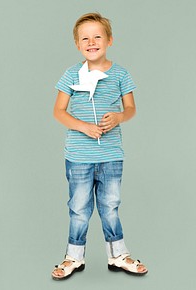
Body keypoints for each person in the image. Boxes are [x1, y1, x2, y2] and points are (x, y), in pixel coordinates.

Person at [51, 12, 148, 280]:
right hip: (79, 156)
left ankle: (118, 254)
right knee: (79, 207)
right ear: (77, 44)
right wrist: (83, 126)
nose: (91, 42)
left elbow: (130, 109)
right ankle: (74, 257)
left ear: (109, 40)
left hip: (111, 155)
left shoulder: (120, 74)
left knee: (110, 205)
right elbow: (59, 111)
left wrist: (119, 117)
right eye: (85, 38)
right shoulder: (72, 74)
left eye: (97, 36)